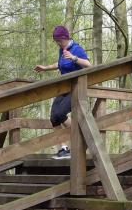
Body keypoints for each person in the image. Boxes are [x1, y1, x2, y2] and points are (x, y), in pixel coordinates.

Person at [34, 25, 92, 158]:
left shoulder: (76, 49)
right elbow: (60, 64)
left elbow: (89, 65)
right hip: (64, 87)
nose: (58, 44)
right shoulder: (62, 49)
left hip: (76, 87)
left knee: (60, 114)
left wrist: (74, 58)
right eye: (56, 41)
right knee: (54, 118)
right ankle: (64, 148)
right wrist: (45, 68)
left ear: (66, 38)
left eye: (59, 41)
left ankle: (81, 134)